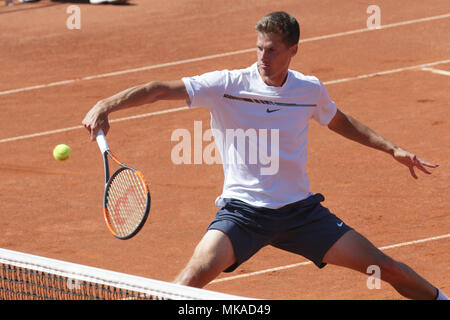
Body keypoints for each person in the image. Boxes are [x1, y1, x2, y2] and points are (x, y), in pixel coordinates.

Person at [82, 11, 447, 300]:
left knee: (387, 268)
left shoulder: (309, 89)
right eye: (259, 48)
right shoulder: (228, 85)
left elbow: (339, 121)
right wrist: (107, 103)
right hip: (243, 214)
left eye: (272, 50)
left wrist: (392, 148)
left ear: (293, 51)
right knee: (187, 282)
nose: (263, 57)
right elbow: (159, 89)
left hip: (301, 213)